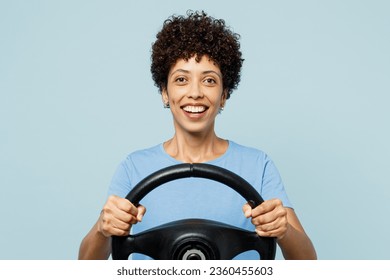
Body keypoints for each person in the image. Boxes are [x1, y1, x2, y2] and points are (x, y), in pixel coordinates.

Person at [78, 10, 316, 260]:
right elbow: (85, 264)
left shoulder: (258, 166)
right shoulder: (133, 167)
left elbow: (309, 262)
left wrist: (284, 230)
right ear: (165, 92)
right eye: (181, 79)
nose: (195, 93)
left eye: (209, 81)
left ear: (224, 95)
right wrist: (103, 231)